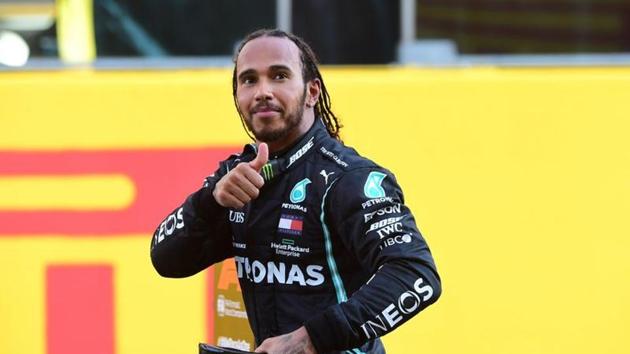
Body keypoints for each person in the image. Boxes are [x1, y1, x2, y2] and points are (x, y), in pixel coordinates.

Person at [150, 29, 441, 354]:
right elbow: (166, 260)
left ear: (311, 92)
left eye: (279, 76)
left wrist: (310, 339)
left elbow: (416, 275)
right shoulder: (237, 176)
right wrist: (210, 201)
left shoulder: (347, 178)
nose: (262, 91)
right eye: (248, 80)